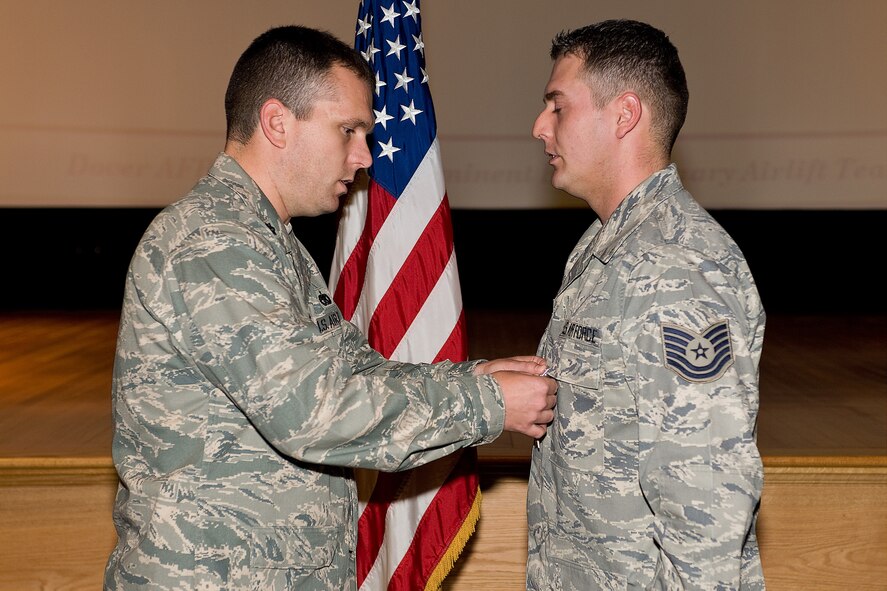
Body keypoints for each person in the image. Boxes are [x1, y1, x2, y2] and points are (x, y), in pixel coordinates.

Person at [104, 25, 557, 590]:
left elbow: (354, 372)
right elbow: (313, 409)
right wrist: (488, 403)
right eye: (348, 130)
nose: (364, 156)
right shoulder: (214, 241)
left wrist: (475, 377)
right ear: (277, 123)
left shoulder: (271, 242)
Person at [526, 19, 765, 590]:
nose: (539, 126)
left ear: (624, 115)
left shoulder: (673, 268)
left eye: (557, 106)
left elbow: (705, 504)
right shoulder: (606, 244)